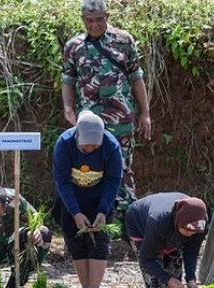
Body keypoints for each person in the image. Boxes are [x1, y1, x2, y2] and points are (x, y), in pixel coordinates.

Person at [61, 0, 151, 212]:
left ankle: (127, 217)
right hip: (88, 122)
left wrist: (145, 113)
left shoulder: (124, 40)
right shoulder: (74, 47)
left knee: (123, 167)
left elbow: (136, 77)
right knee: (90, 167)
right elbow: (68, 79)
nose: (94, 25)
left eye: (99, 19)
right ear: (83, 20)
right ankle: (98, 213)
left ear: (107, 16)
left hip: (121, 119)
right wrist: (68, 108)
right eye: (89, 21)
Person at [52, 110, 122, 288]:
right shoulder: (64, 144)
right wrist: (75, 213)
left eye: (94, 145)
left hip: (100, 198)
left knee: (100, 243)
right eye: (86, 145)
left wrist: (103, 210)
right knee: (76, 243)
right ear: (77, 137)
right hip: (71, 199)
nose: (90, 148)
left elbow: (113, 180)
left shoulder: (111, 146)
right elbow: (62, 182)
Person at [125, 193, 207, 288]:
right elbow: (147, 259)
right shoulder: (158, 220)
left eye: (193, 233)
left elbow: (192, 250)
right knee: (155, 280)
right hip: (141, 225)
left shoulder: (200, 222)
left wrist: (191, 278)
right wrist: (168, 280)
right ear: (178, 221)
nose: (190, 235)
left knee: (175, 273)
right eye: (186, 231)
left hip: (170, 230)